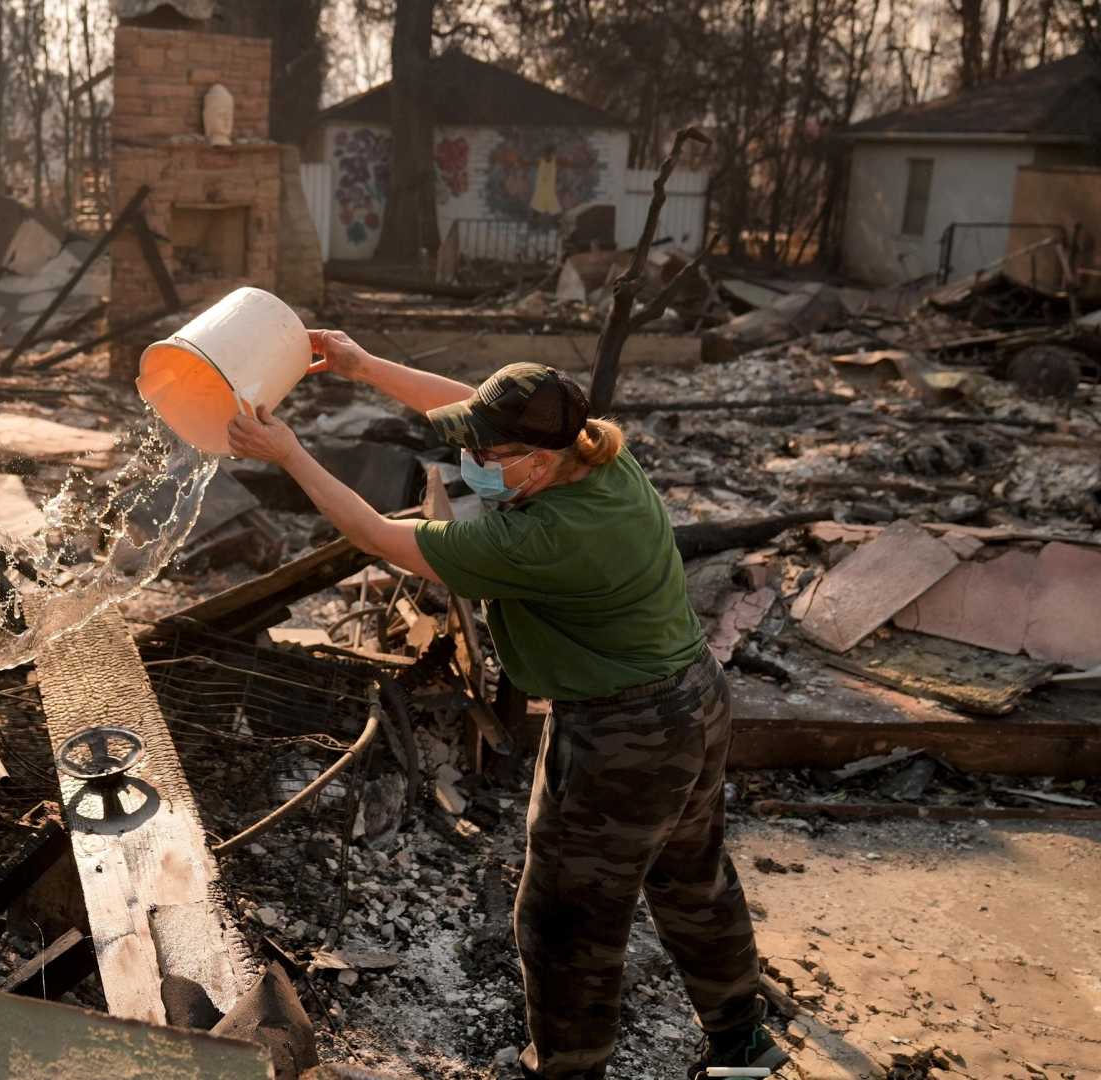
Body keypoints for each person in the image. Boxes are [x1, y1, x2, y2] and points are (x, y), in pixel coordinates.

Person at [225, 330, 787, 1080]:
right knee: (692, 878)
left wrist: (290, 453)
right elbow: (462, 408)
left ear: (540, 459)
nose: (476, 467)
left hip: (625, 734)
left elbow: (375, 535)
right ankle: (742, 1043)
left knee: (565, 923)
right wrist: (365, 366)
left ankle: (570, 1071)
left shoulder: (542, 537)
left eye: (490, 459)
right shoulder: (599, 458)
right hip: (690, 700)